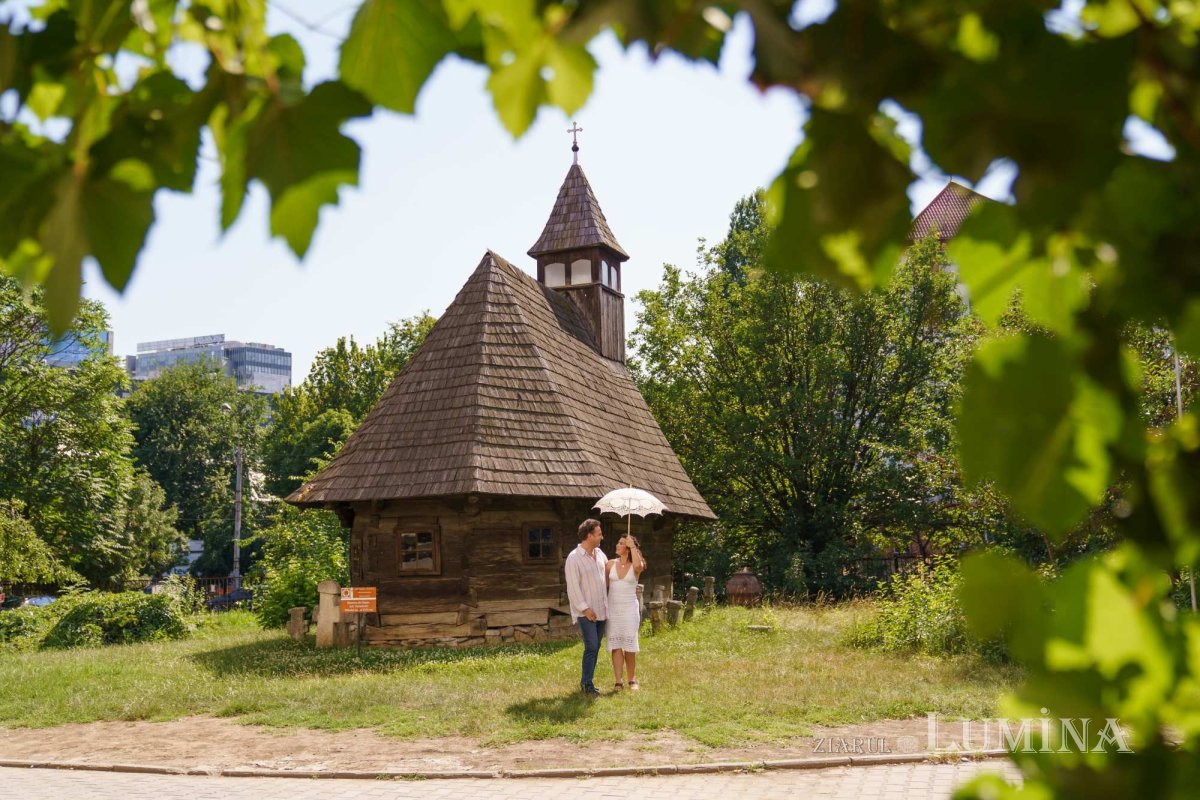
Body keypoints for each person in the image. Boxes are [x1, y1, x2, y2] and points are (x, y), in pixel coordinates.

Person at [564, 518, 608, 696]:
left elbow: (609, 573)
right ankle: (586, 684)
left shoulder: (600, 554)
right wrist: (585, 610)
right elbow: (573, 588)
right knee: (591, 646)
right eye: (599, 534)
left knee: (595, 647)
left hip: (601, 609)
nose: (601, 537)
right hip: (586, 612)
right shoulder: (574, 558)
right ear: (589, 536)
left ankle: (588, 681)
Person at [605, 534, 646, 691]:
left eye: (621, 543)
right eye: (618, 542)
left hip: (629, 609)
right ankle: (618, 681)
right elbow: (605, 587)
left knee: (629, 645)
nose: (617, 545)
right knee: (616, 645)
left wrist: (633, 546)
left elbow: (639, 567)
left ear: (628, 548)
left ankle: (631, 679)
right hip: (614, 609)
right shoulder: (609, 564)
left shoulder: (636, 565)